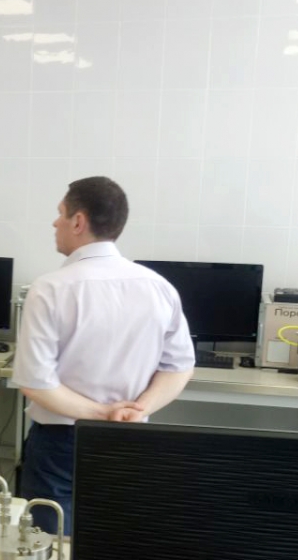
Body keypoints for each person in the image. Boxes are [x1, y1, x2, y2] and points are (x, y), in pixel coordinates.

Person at [11, 175, 195, 534]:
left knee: (51, 546)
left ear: (78, 222)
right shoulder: (159, 287)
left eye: (61, 213)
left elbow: (35, 382)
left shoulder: (50, 289)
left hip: (62, 443)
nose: (55, 223)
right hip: (129, 440)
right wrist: (136, 410)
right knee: (113, 541)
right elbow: (179, 367)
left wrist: (102, 414)